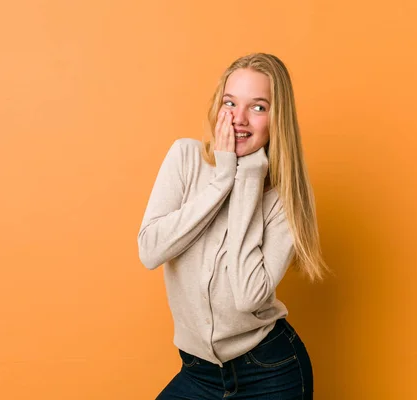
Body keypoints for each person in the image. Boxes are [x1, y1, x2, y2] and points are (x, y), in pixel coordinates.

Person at [137, 53, 330, 399]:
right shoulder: (186, 159)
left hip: (271, 374)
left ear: (277, 118)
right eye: (231, 103)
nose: (239, 119)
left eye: (258, 107)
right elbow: (150, 250)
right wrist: (222, 178)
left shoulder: (288, 198)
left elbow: (247, 297)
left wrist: (249, 178)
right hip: (198, 373)